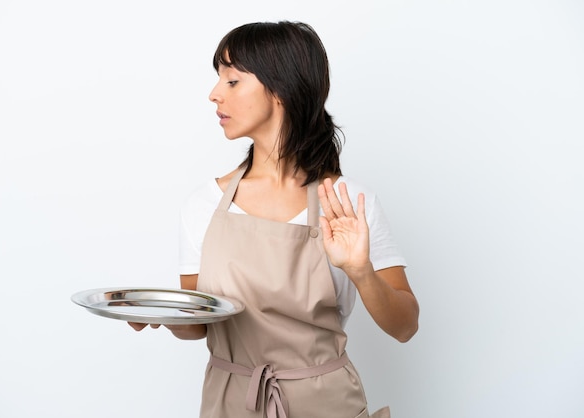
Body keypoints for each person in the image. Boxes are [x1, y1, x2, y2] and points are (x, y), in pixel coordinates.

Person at [130, 21, 419, 418]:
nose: (214, 94)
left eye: (232, 81)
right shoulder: (205, 204)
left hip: (328, 405)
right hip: (231, 404)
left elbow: (405, 326)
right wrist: (163, 317)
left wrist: (361, 271)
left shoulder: (347, 203)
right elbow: (198, 326)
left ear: (280, 88)